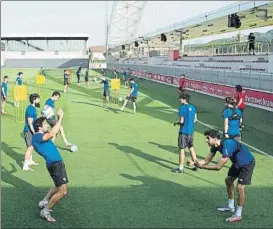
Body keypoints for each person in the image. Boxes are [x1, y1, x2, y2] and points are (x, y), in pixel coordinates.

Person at [194, 129, 255, 223]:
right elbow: (206, 161)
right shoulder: (215, 146)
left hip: (247, 164)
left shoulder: (227, 145)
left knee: (240, 188)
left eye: (208, 138)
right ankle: (230, 206)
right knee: (229, 180)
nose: (206, 140)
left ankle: (238, 214)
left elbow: (218, 167)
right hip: (237, 163)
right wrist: (197, 162)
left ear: (215, 138)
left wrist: (202, 167)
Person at [32, 113, 68, 222]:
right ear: (39, 127)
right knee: (63, 191)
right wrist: (60, 117)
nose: (46, 125)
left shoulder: (41, 136)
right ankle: (46, 211)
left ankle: (45, 201)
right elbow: (52, 132)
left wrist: (56, 124)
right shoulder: (37, 136)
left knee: (57, 187)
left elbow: (53, 133)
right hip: (55, 164)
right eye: (44, 124)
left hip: (55, 163)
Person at [172, 93, 198, 173]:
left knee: (181, 149)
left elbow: (182, 121)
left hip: (183, 132)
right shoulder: (193, 107)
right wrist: (190, 124)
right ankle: (196, 165)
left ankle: (180, 168)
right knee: (191, 148)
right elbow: (195, 119)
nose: (179, 100)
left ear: (184, 99)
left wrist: (177, 122)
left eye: (180, 99)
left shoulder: (182, 108)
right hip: (191, 132)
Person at [23, 93, 40, 171]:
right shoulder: (30, 109)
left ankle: (30, 161)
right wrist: (34, 132)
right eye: (38, 99)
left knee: (31, 146)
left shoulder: (33, 108)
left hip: (31, 130)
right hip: (28, 131)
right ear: (34, 100)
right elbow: (30, 123)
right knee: (30, 147)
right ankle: (25, 165)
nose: (39, 100)